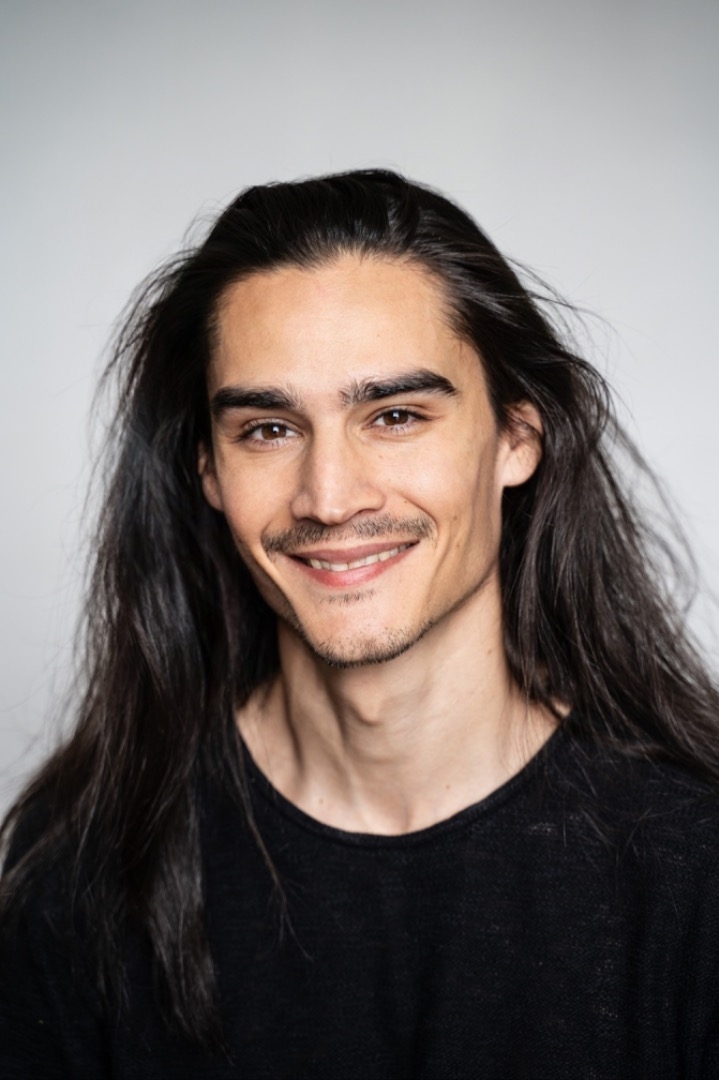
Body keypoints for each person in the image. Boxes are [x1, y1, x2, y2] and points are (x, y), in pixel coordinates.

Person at [1, 169, 718, 1079]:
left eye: (395, 415)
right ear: (208, 471)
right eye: (268, 429)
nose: (330, 498)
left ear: (515, 439)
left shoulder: (694, 866)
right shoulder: (90, 857)